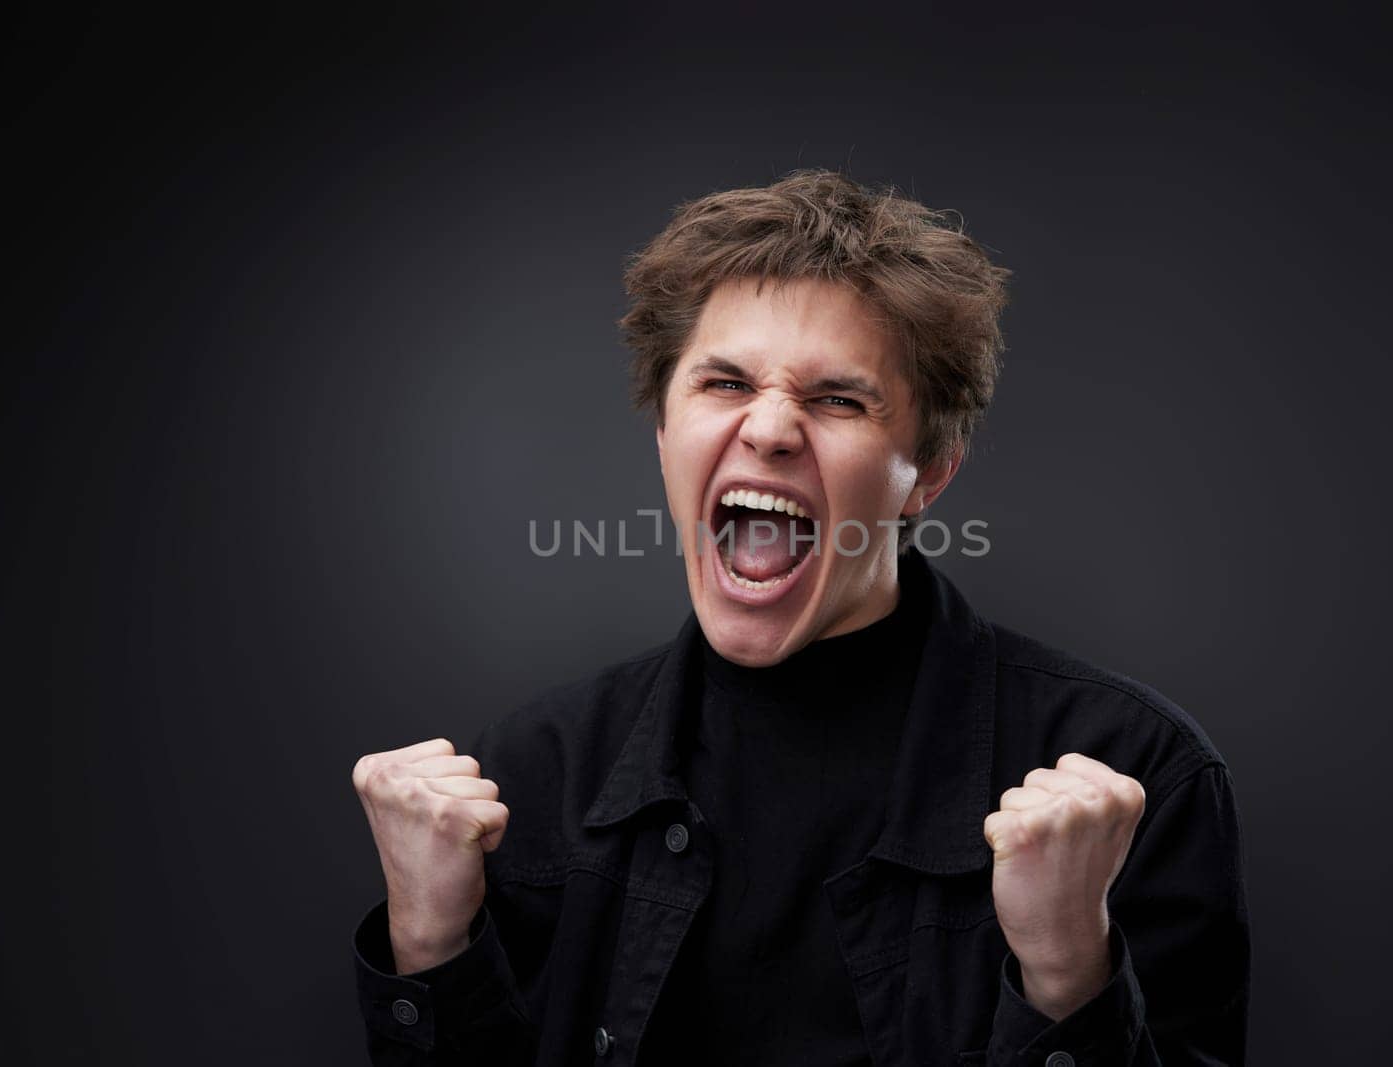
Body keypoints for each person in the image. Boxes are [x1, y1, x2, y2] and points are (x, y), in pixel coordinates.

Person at [349, 170, 1250, 1065]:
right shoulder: (528, 777)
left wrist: (1065, 971)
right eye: (725, 383)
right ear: (665, 433)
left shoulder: (1134, 779)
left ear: (929, 472)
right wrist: (428, 945)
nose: (771, 429)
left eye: (837, 398)